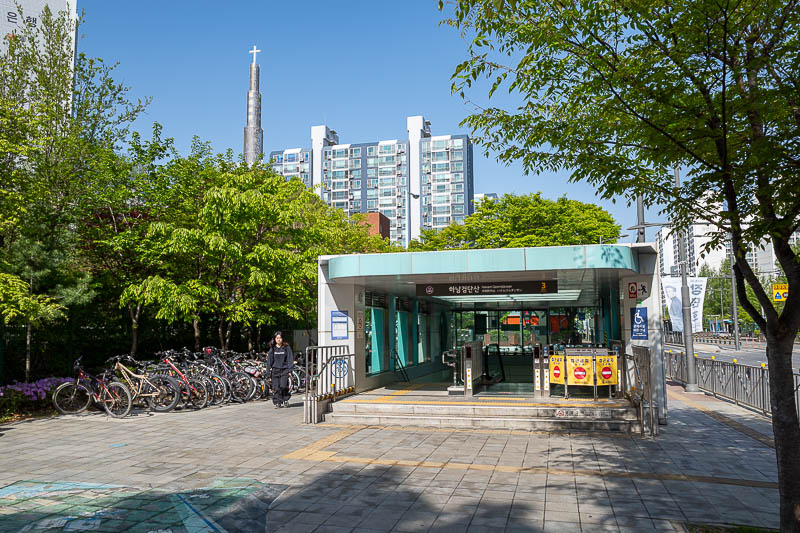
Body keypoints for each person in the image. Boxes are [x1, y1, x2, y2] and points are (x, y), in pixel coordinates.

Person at [267, 331, 293, 408]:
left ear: (282, 339)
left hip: (284, 370)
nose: (279, 340)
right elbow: (269, 360)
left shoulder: (286, 348)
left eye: (280, 338)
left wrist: (290, 370)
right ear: (275, 339)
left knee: (283, 386)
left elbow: (290, 359)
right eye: (277, 338)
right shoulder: (273, 349)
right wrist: (268, 371)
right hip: (275, 370)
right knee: (276, 387)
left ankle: (285, 399)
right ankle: (278, 402)